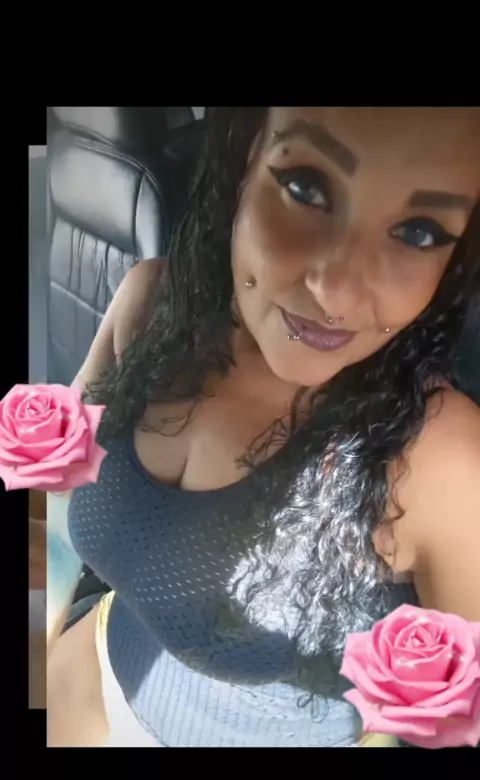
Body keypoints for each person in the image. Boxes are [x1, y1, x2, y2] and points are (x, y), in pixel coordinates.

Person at [47, 107, 480, 747]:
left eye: (419, 232)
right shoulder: (151, 302)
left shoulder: (441, 459)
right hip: (83, 678)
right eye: (306, 187)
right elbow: (53, 496)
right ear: (245, 159)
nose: (334, 288)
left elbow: (455, 723)